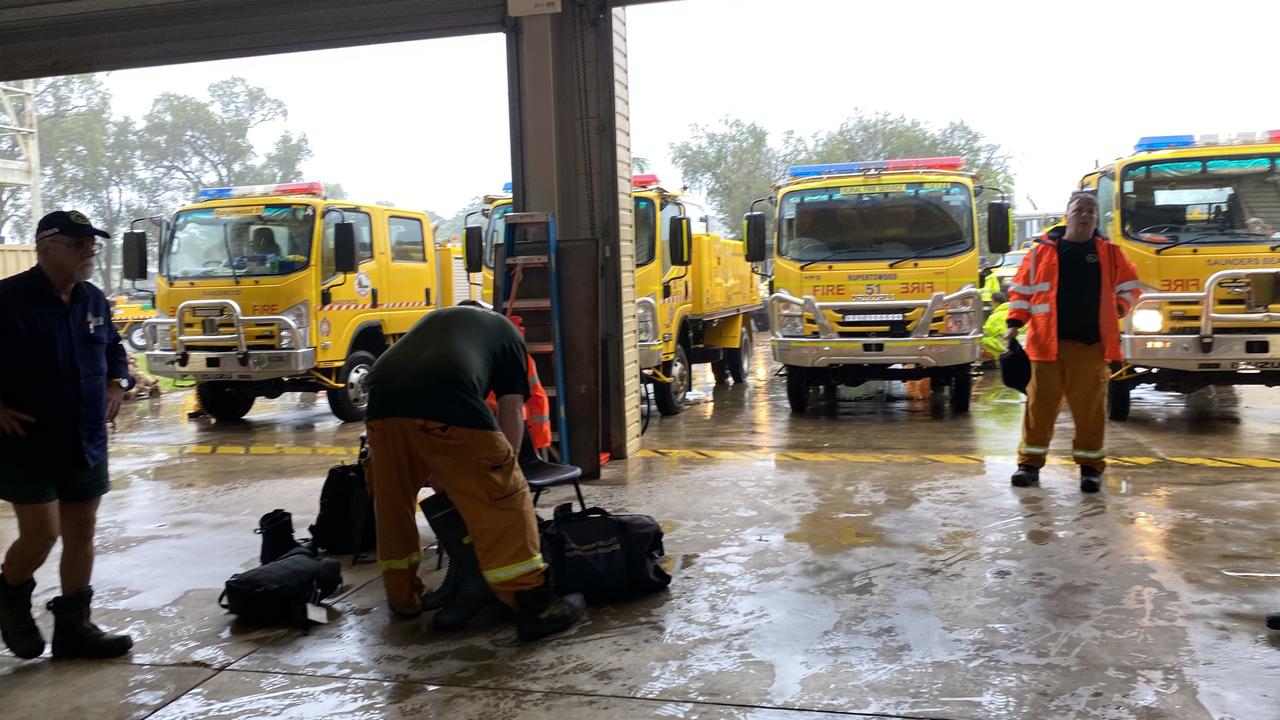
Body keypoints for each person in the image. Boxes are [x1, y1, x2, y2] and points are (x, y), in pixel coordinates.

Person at [363, 305, 585, 641]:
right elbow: (512, 409)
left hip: (381, 400)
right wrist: (505, 471)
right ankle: (534, 606)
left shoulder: (437, 324)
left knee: (393, 505)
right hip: (447, 394)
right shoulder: (507, 333)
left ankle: (403, 598)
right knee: (506, 503)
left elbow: (430, 437)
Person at [0, 210, 135, 660]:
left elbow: (114, 349)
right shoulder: (9, 298)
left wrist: (118, 382)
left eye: (91, 244)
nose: (88, 251)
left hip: (85, 437)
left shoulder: (94, 299)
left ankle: (75, 628)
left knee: (82, 529)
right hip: (27, 443)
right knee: (41, 534)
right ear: (45, 248)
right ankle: (10, 596)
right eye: (78, 244)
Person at [1005, 192, 1141, 493]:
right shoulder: (1040, 253)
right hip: (1045, 344)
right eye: (1079, 209)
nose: (1085, 214)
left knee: (1089, 409)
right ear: (1067, 215)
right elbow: (1021, 291)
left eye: (1091, 211)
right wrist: (1014, 323)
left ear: (1096, 218)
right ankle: (1028, 464)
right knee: (1039, 407)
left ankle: (1090, 468)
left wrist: (1117, 309)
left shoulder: (1111, 253)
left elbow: (1131, 288)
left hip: (1091, 346)